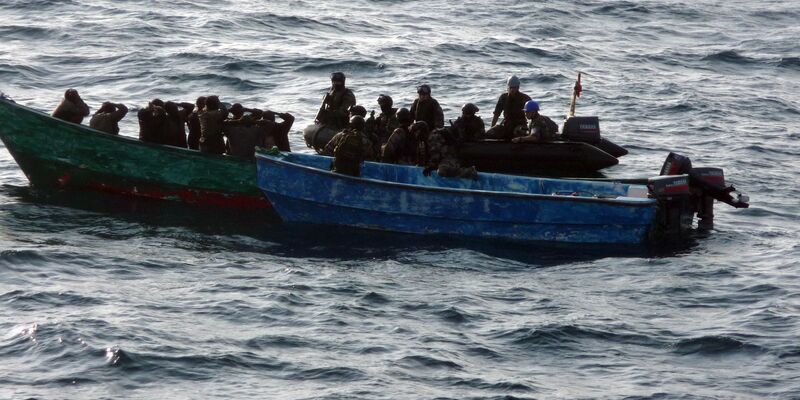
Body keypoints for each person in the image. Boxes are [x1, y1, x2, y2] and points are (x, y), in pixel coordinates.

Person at [485, 75, 532, 140]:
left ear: (518, 87)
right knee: (488, 133)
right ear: (508, 87)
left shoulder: (525, 98)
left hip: (520, 125)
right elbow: (496, 114)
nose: (512, 89)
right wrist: (492, 128)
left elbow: (532, 114)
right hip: (506, 125)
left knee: (519, 133)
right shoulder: (503, 98)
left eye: (514, 88)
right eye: (511, 87)